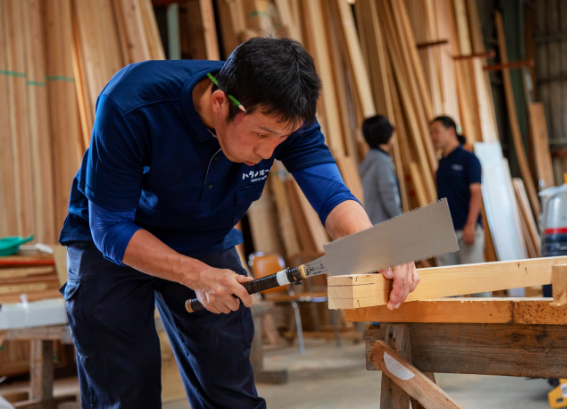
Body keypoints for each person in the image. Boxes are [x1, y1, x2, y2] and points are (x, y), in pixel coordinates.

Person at [58, 38, 419, 408]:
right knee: (122, 390)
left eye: (282, 141)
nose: (268, 153)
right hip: (111, 241)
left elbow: (330, 195)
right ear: (220, 104)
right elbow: (110, 228)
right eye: (261, 135)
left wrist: (376, 245)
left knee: (229, 387)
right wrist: (196, 275)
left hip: (205, 236)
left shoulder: (285, 115)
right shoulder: (132, 103)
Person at [429, 116, 485, 273]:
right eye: (431, 133)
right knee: (448, 289)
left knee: (476, 285)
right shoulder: (441, 164)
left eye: (436, 132)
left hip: (465, 230)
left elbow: (476, 193)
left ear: (451, 131)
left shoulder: (469, 159)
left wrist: (471, 225)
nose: (433, 137)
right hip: (445, 232)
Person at [359, 115, 402, 224]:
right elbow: (389, 196)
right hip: (384, 225)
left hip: (373, 222)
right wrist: (401, 221)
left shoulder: (369, 160)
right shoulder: (381, 161)